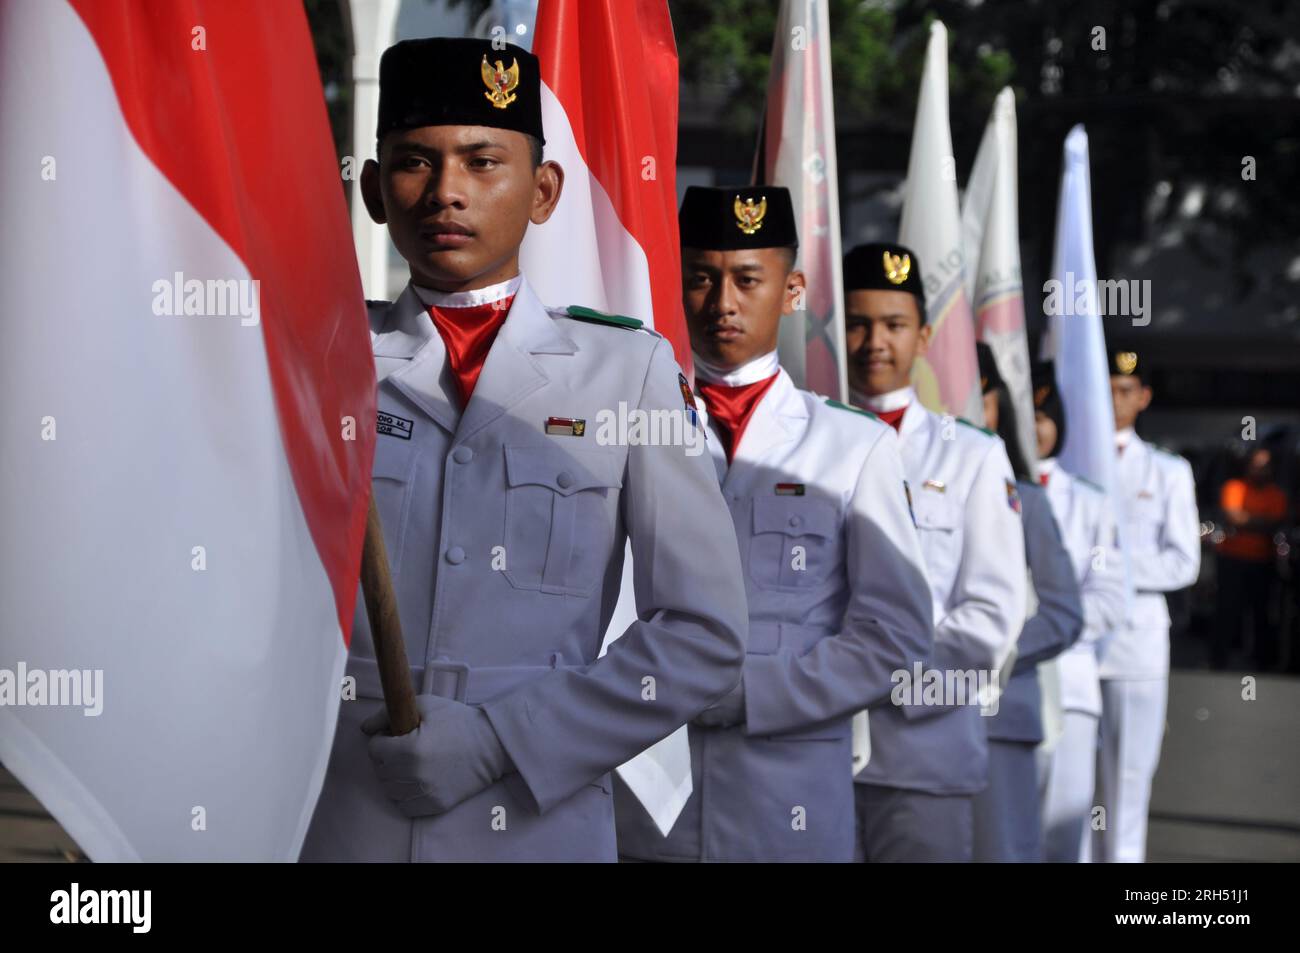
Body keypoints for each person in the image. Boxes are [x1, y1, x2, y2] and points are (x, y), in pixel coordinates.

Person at [300, 37, 748, 862]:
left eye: (482, 161)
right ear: (371, 190)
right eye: (414, 162)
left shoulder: (627, 372)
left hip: (536, 827)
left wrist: (501, 742)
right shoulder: (321, 359)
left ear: (543, 191)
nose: (447, 193)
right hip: (341, 819)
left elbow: (703, 635)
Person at [613, 187, 933, 862]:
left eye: (746, 279)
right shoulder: (629, 425)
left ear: (791, 291)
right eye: (701, 277)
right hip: (645, 805)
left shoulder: (852, 446)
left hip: (786, 804)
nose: (722, 302)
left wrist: (753, 694)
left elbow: (894, 634)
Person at [844, 243, 1026, 862]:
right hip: (811, 749)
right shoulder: (807, 440)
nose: (875, 342)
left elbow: (992, 617)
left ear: (923, 336)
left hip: (923, 758)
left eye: (894, 325)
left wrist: (885, 685)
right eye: (858, 322)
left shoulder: (972, 455)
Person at [971, 347, 1084, 862]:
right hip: (905, 717)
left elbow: (1063, 613)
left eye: (982, 396)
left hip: (1002, 717)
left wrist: (987, 657)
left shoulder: (1027, 501)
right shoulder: (892, 486)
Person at [1096, 347, 1200, 863]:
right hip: (1075, 644)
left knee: (1129, 781)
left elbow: (1184, 563)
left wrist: (1112, 570)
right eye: (1109, 387)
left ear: (1144, 398)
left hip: (1136, 647)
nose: (1116, 399)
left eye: (1126, 390)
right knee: (1072, 787)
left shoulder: (1167, 469)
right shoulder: (1072, 460)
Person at [1029, 361, 1127, 862]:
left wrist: (1040, 631)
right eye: (1025, 412)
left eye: (1044, 415)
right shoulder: (980, 485)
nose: (1034, 425)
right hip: (990, 692)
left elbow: (1108, 597)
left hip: (1068, 687)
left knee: (1062, 839)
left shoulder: (1089, 503)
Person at [1213, 446, 1288, 670]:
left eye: (1264, 466)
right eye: (1255, 465)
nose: (1259, 470)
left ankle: (1263, 662)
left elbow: (1276, 523)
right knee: (1227, 610)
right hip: (1232, 559)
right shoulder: (1234, 487)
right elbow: (1233, 517)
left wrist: (1249, 521)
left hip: (1262, 561)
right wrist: (1259, 522)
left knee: (1262, 613)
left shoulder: (1277, 494)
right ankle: (1218, 660)